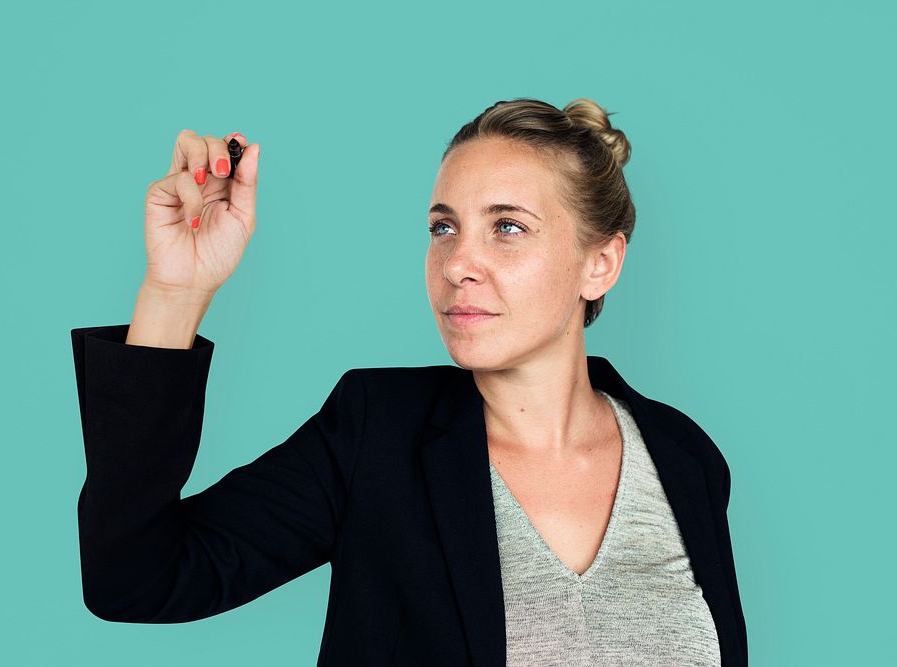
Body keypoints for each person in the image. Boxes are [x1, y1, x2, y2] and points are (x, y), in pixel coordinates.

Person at [70, 98, 747, 666]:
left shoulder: (684, 459)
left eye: (507, 227)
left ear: (599, 264)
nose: (459, 263)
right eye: (443, 228)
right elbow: (135, 578)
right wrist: (174, 290)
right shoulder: (376, 436)